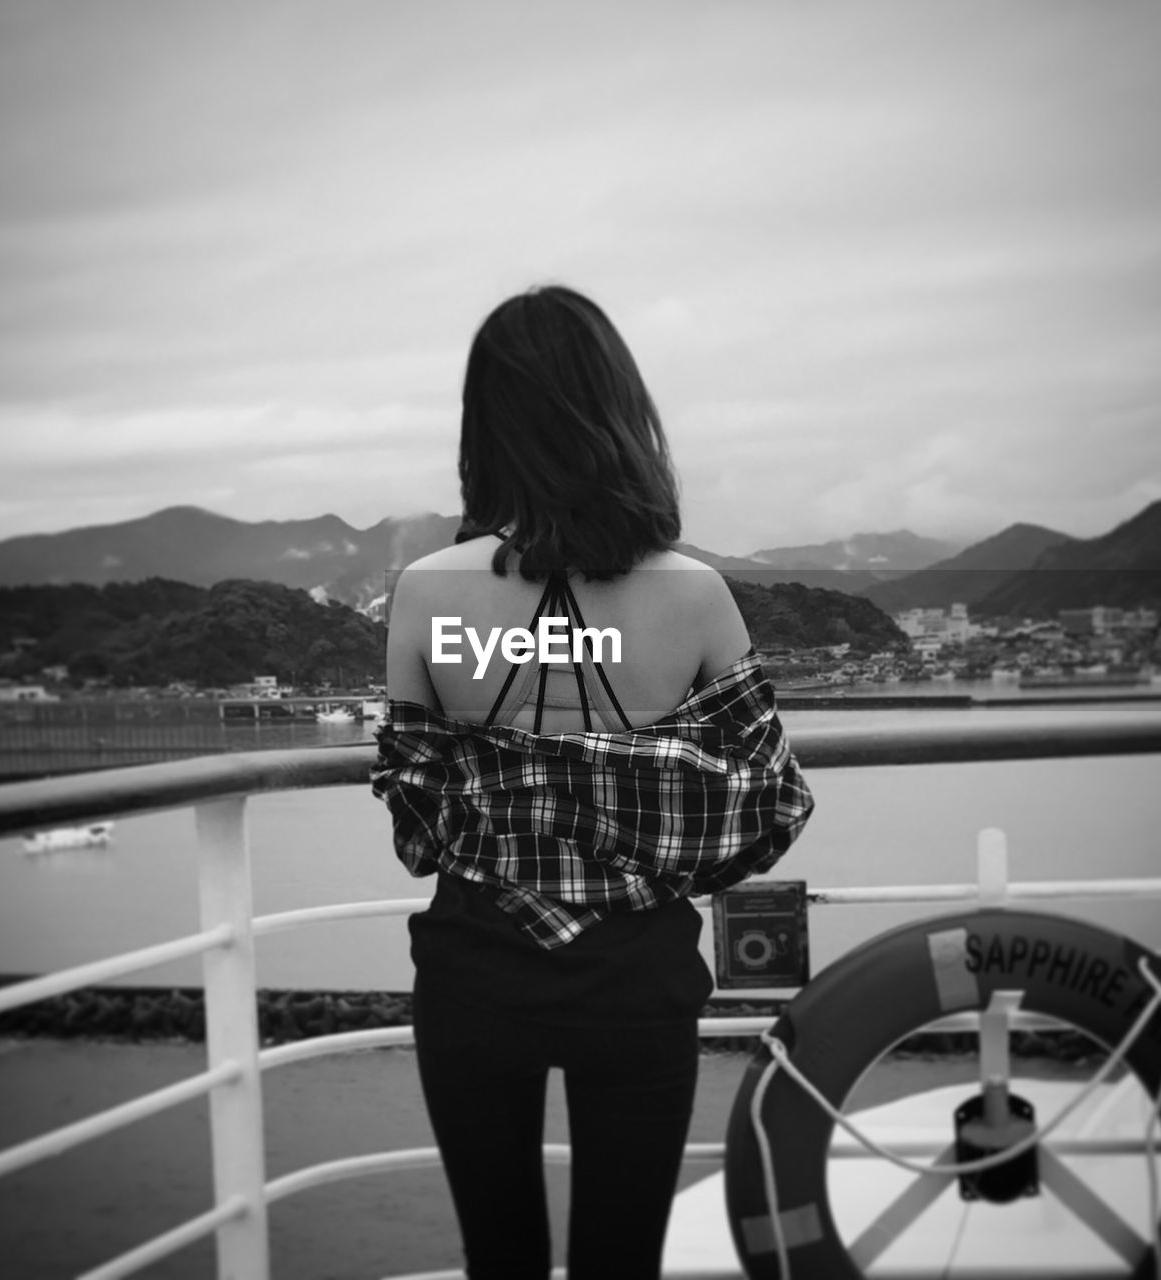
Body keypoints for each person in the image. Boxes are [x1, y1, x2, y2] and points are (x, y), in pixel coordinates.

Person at [371, 284, 814, 1279]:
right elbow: (773, 798)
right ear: (619, 412)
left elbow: (413, 822)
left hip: (471, 968)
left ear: (482, 425)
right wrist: (645, 806)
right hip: (639, 973)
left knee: (501, 1256)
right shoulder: (690, 592)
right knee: (623, 1259)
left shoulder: (427, 593)